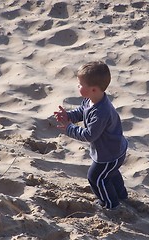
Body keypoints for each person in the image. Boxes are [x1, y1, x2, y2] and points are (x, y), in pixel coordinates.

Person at [54, 61, 128, 209]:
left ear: (93, 89)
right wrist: (68, 116)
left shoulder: (101, 112)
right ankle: (121, 195)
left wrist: (69, 128)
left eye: (81, 85)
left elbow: (89, 135)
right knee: (110, 174)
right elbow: (81, 112)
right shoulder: (90, 100)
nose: (78, 86)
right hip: (114, 149)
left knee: (96, 178)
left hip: (109, 154)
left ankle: (110, 204)